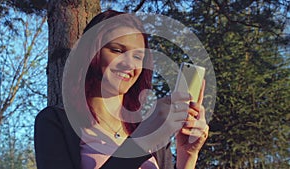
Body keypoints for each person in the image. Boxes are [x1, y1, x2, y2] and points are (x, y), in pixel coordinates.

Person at [34, 10, 209, 169]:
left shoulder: (151, 132)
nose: (129, 64)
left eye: (138, 56)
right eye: (117, 50)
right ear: (91, 52)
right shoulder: (54, 122)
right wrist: (141, 141)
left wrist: (187, 157)